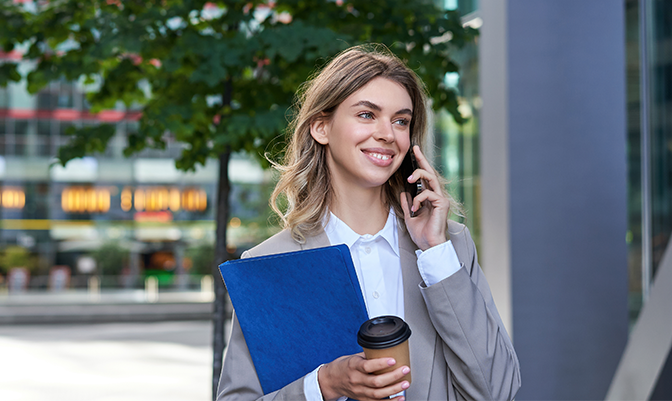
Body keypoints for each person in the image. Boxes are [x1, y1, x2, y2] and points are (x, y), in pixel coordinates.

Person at [217, 45, 521, 401]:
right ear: (321, 127)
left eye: (401, 121)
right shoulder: (270, 264)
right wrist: (325, 384)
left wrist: (436, 253)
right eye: (366, 115)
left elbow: (498, 390)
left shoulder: (449, 246)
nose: (387, 134)